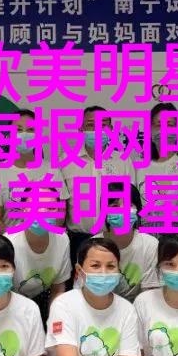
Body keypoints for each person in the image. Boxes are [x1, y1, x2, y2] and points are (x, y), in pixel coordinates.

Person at [62, 105, 134, 262]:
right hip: (78, 240)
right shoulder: (65, 162)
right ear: (80, 129)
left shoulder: (123, 161)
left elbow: (131, 202)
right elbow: (60, 205)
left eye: (103, 125)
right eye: (90, 125)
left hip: (114, 238)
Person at [0, 109, 70, 235]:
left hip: (46, 240)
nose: (24, 134)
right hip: (10, 242)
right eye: (18, 130)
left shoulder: (52, 170)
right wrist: (10, 240)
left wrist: (45, 236)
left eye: (31, 130)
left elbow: (60, 212)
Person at [91, 186, 159, 301]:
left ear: (138, 211)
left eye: (129, 205)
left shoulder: (150, 245)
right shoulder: (92, 247)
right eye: (114, 206)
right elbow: (86, 293)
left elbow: (149, 297)